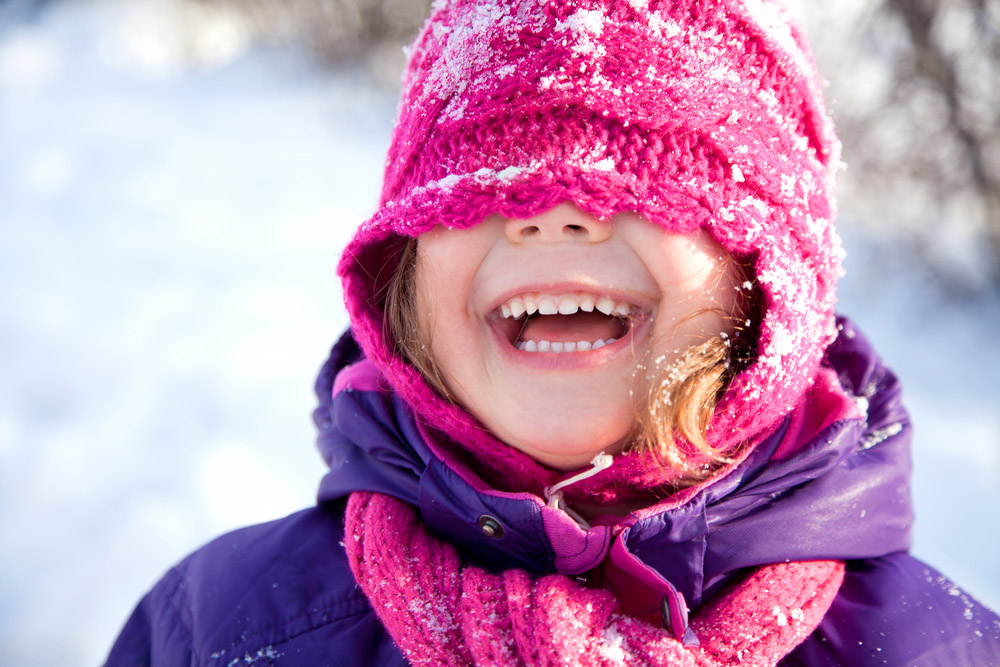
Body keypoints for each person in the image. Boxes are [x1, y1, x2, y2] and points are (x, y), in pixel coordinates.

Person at [105, 0, 1000, 664]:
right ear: (404, 273)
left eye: (636, 178)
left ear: (767, 280)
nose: (552, 216)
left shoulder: (934, 649)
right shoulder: (226, 624)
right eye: (486, 179)